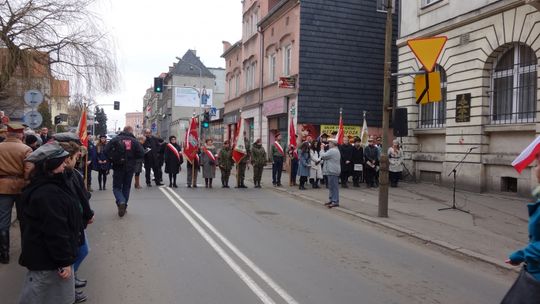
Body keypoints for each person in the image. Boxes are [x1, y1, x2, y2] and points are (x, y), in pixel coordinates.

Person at [17, 142, 79, 304]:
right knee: (43, 297)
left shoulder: (51, 184)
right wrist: (64, 261)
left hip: (48, 259)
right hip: (47, 261)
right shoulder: (48, 193)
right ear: (52, 165)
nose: (65, 165)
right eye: (62, 162)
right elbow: (55, 230)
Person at [57, 139, 94, 303]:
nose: (78, 158)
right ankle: (68, 288)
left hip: (76, 220)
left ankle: (72, 279)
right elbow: (77, 199)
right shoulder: (64, 176)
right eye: (75, 156)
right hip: (70, 223)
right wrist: (87, 213)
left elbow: (82, 197)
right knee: (75, 253)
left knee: (81, 251)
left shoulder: (73, 173)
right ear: (67, 158)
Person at [0, 123, 33, 264]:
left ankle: (4, 254)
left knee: (3, 221)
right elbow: (29, 171)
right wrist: (26, 182)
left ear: (7, 134)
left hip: (2, 187)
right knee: (24, 220)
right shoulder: (26, 149)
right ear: (20, 135)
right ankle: (26, 252)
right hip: (21, 188)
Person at [104, 126, 144, 217]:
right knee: (126, 187)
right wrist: (133, 158)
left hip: (118, 166)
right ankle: (124, 205)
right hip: (130, 168)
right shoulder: (134, 141)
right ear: (130, 131)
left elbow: (105, 150)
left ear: (123, 131)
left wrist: (112, 158)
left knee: (116, 187)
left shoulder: (115, 139)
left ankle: (121, 201)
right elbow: (142, 153)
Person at [320, 139, 341, 208]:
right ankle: (332, 199)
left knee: (334, 187)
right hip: (332, 170)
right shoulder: (334, 150)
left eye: (329, 143)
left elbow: (323, 156)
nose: (328, 144)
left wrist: (322, 149)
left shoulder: (333, 150)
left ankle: (335, 201)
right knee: (331, 186)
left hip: (333, 170)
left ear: (333, 144)